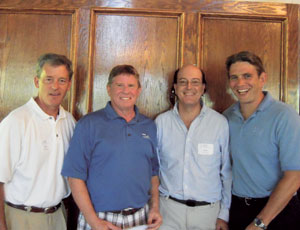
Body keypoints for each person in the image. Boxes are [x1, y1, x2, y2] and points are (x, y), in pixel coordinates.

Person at [61, 64, 162, 230]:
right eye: (119, 85)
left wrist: (155, 208)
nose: (125, 91)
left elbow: (153, 173)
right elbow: (74, 177)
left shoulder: (149, 126)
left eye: (131, 86)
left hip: (140, 218)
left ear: (138, 90)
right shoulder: (88, 124)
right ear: (109, 89)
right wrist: (94, 222)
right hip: (100, 218)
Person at [223, 51, 300, 230]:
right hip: (238, 209)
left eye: (247, 76)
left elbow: (294, 176)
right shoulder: (226, 117)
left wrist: (260, 222)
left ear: (262, 78)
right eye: (234, 77)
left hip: (278, 211)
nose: (240, 83)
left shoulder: (284, 116)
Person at [0, 53, 76, 230]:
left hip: (57, 216)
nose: (55, 87)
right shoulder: (17, 121)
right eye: (48, 79)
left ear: (69, 85)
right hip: (21, 218)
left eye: (62, 80)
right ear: (36, 82)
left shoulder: (69, 121)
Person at [155, 64, 232, 230]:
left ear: (203, 88)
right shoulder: (161, 123)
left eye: (195, 82)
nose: (189, 87)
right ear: (175, 87)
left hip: (208, 215)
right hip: (168, 212)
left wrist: (224, 214)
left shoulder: (219, 123)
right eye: (183, 82)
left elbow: (226, 172)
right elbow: (153, 169)